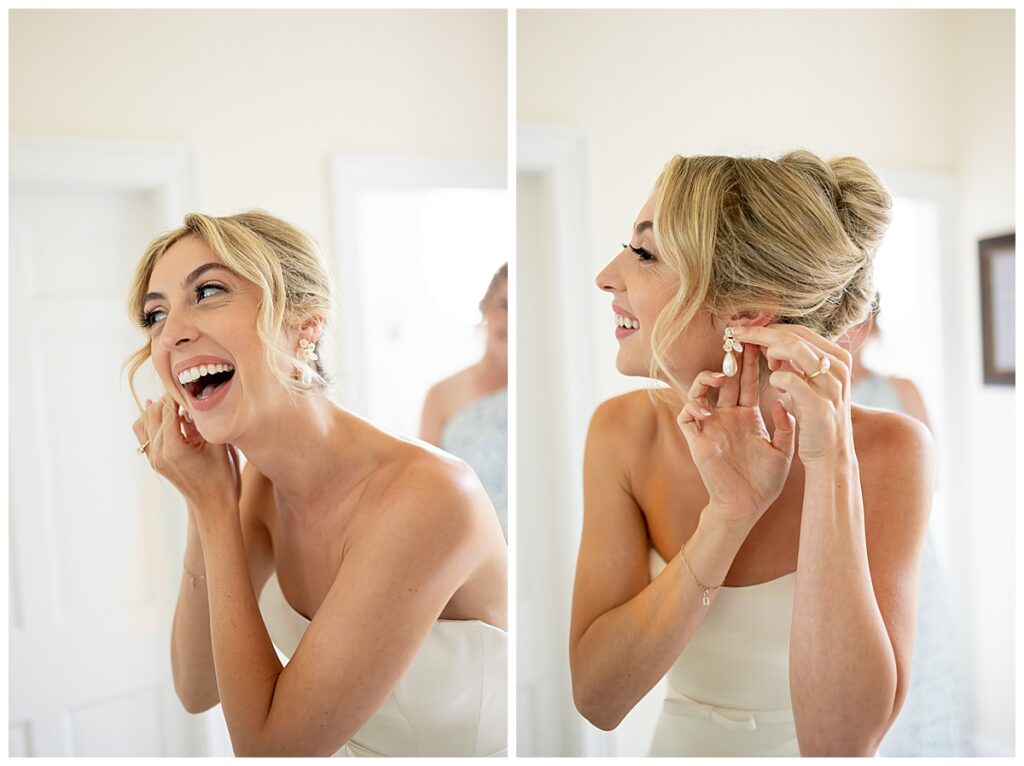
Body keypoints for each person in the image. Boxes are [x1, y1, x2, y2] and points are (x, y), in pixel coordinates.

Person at [570, 152, 935, 756]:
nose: (607, 276)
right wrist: (728, 517)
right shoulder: (621, 434)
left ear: (746, 310)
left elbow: (840, 743)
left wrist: (830, 461)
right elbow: (597, 700)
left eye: (645, 254)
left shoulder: (892, 451)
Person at [124, 211, 507, 757]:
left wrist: (214, 507)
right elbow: (196, 685)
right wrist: (202, 499)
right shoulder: (258, 488)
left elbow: (269, 752)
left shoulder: (430, 497)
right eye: (155, 314)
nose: (171, 334)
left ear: (305, 323)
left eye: (207, 292)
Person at [840, 308, 971, 756]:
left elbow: (930, 474)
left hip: (907, 543)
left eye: (860, 321)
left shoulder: (900, 389)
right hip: (850, 543)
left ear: (873, 325)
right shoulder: (818, 398)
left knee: (917, 653)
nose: (851, 333)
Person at [420, 264, 508, 539]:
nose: (511, 320)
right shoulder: (441, 395)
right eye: (504, 305)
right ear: (485, 308)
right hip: (466, 543)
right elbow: (426, 492)